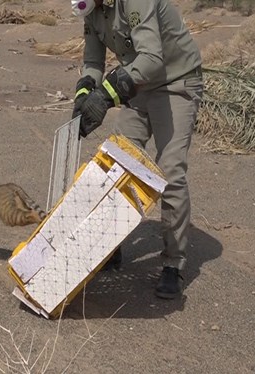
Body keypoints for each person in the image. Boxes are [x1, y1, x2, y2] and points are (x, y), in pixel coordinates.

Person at [70, 0, 204, 299]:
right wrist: (84, 92)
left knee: (170, 173)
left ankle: (173, 263)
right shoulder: (90, 9)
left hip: (176, 83)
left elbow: (152, 58)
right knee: (116, 164)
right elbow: (93, 61)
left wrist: (105, 96)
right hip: (139, 86)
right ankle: (110, 248)